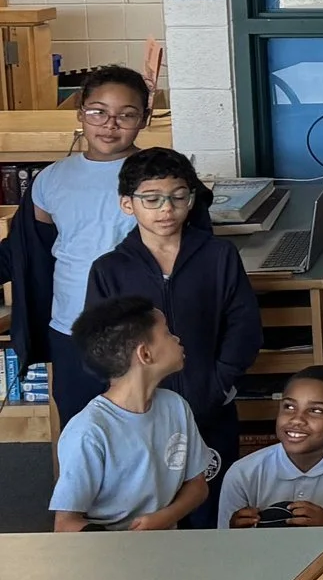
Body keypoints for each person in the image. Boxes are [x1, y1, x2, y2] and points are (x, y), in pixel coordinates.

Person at [86, 148, 261, 519]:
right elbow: (101, 344)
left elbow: (243, 326)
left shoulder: (219, 256)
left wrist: (219, 383)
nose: (166, 208)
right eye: (151, 199)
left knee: (213, 507)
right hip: (141, 414)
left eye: (178, 197)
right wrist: (131, 397)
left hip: (210, 404)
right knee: (149, 510)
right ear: (127, 204)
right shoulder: (109, 269)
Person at [14, 64, 148, 421]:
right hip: (71, 324)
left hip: (143, 323)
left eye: (126, 115)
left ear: (144, 119)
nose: (110, 125)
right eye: (98, 112)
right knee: (81, 421)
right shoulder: (51, 179)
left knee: (147, 423)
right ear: (81, 114)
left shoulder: (160, 174)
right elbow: (30, 250)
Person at [47, 295, 209, 531]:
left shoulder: (176, 407)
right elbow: (65, 525)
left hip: (166, 546)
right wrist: (124, 545)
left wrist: (163, 518)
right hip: (107, 555)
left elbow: (198, 485)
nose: (177, 338)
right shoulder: (88, 431)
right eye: (166, 333)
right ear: (145, 355)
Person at [218, 366, 323, 540]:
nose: (297, 419)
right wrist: (234, 536)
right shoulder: (242, 473)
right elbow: (222, 554)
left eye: (316, 410)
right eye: (289, 406)